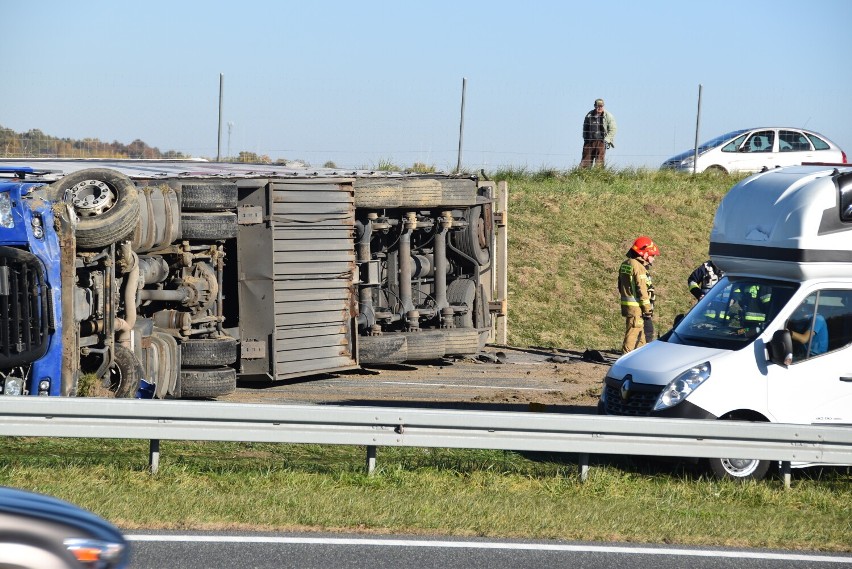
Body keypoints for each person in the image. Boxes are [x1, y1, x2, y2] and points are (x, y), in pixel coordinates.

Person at [618, 236, 660, 353]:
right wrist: (647, 309)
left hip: (630, 306)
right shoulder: (638, 267)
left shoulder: (626, 263)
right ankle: (624, 358)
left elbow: (620, 284)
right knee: (632, 335)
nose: (654, 259)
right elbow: (642, 289)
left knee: (641, 336)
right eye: (652, 255)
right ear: (644, 253)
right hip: (637, 307)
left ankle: (640, 358)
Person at [581, 98, 617, 168]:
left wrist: (607, 140)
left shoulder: (608, 115)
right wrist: (585, 138)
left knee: (599, 162)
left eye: (601, 106)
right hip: (589, 141)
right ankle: (583, 176)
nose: (599, 108)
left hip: (601, 141)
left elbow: (613, 129)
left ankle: (598, 177)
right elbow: (585, 127)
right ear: (595, 106)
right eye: (598, 106)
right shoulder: (589, 115)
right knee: (585, 162)